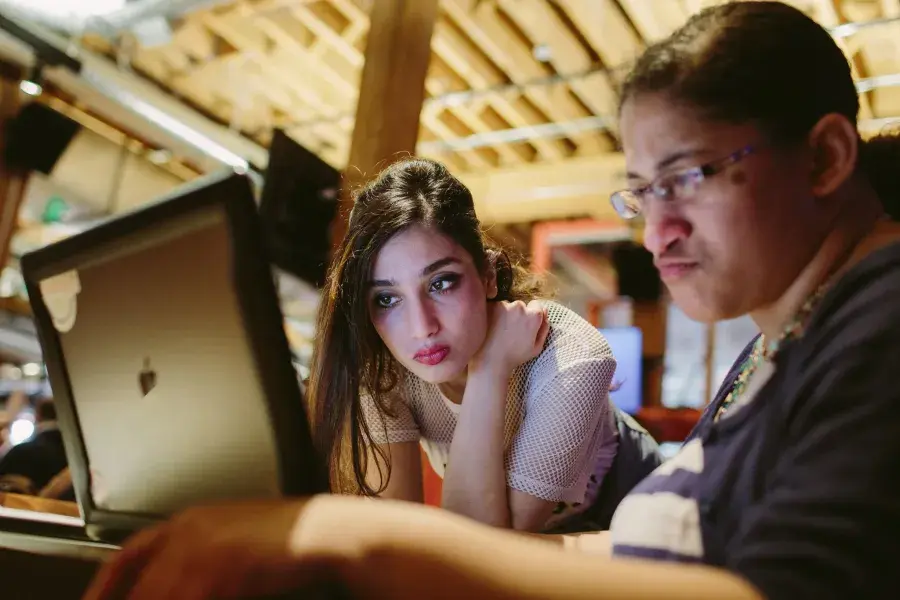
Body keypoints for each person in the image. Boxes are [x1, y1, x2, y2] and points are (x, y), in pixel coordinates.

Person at [83, 2, 900, 599]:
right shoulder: (786, 344)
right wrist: (361, 545)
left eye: (685, 179)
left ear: (825, 158)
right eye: (641, 195)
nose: (659, 233)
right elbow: (646, 550)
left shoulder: (881, 318)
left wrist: (357, 543)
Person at [308, 157, 659, 533]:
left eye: (441, 283)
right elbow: (399, 533)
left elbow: (480, 542)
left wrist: (490, 367)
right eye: (387, 299)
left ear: (488, 276)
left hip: (634, 503)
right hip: (530, 537)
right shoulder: (381, 370)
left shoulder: (571, 356)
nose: (422, 328)